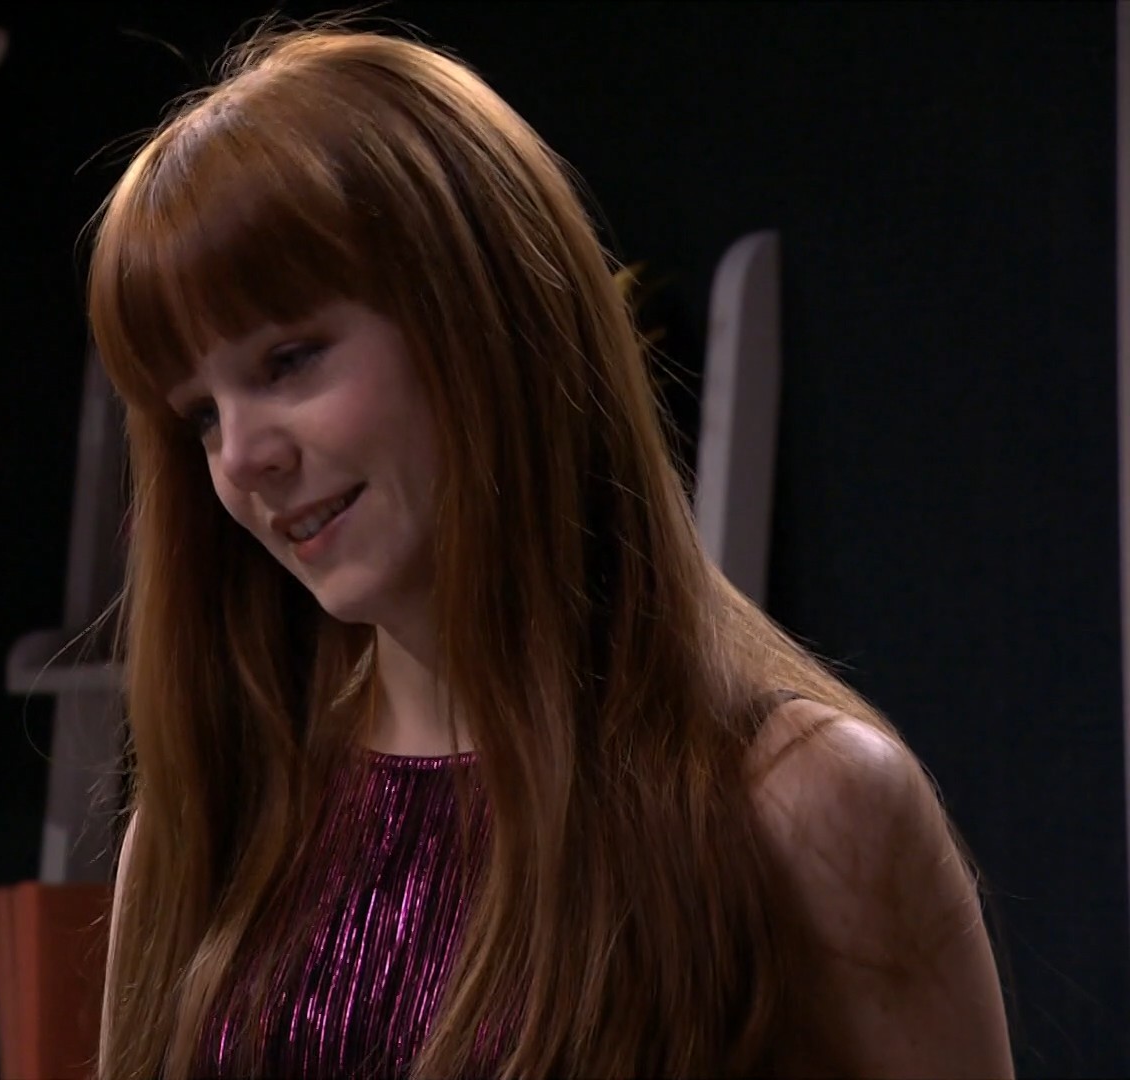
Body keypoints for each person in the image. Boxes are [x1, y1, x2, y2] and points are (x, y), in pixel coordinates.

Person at [80, 17, 1012, 1080]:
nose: (243, 458)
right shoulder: (208, 832)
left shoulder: (800, 809)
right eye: (200, 416)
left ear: (481, 317)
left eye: (289, 359)